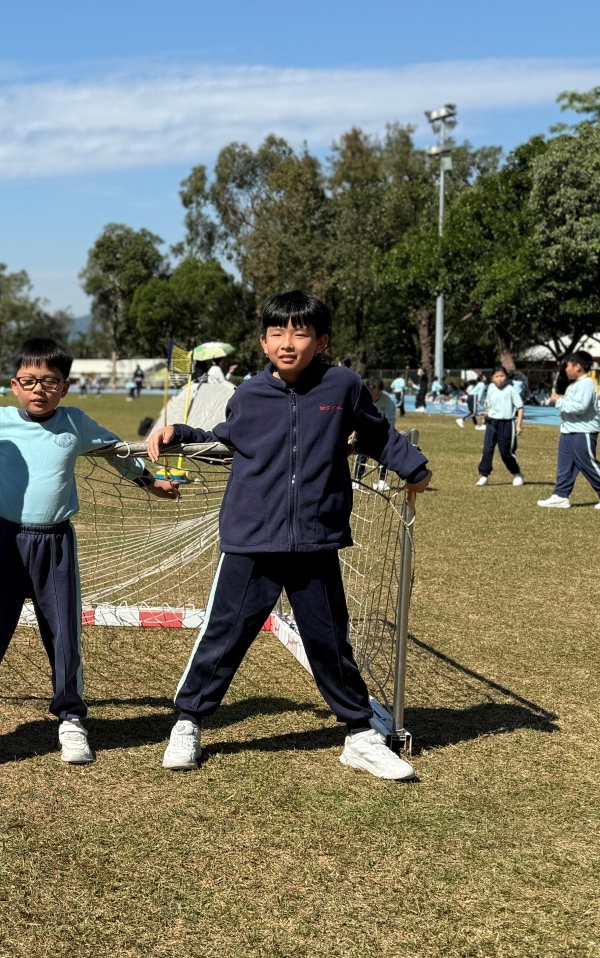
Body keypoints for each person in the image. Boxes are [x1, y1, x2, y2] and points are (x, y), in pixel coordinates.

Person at [147, 290, 431, 781]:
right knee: (224, 635)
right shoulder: (249, 394)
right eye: (277, 333)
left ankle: (359, 735)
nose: (287, 342)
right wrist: (181, 433)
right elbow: (226, 438)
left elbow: (376, 433)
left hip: (315, 540)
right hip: (252, 539)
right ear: (263, 342)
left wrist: (414, 468)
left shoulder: (343, 386)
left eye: (300, 333)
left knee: (329, 640)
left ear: (321, 341)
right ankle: (188, 721)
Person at [0, 338, 177, 766]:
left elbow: (118, 451)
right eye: (29, 381)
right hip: (4, 541)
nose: (39, 389)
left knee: (64, 634)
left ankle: (70, 718)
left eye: (49, 382)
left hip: (55, 544)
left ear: (64, 387)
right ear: (15, 385)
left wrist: (149, 481)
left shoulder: (75, 423)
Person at [538, 352, 600, 510]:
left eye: (568, 366)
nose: (566, 369)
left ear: (577, 367)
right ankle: (561, 495)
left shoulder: (586, 383)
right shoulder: (575, 384)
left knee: (587, 464)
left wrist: (558, 401)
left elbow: (580, 407)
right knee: (565, 466)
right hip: (569, 430)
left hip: (583, 431)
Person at [474, 366, 525, 488]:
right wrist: (486, 413)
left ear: (506, 377)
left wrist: (518, 425)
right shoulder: (491, 388)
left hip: (507, 424)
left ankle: (517, 474)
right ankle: (484, 475)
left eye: (502, 376)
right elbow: (488, 404)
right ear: (492, 378)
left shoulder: (511, 390)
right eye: (496, 376)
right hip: (492, 423)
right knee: (487, 449)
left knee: (505, 452)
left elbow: (520, 407)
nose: (499, 379)